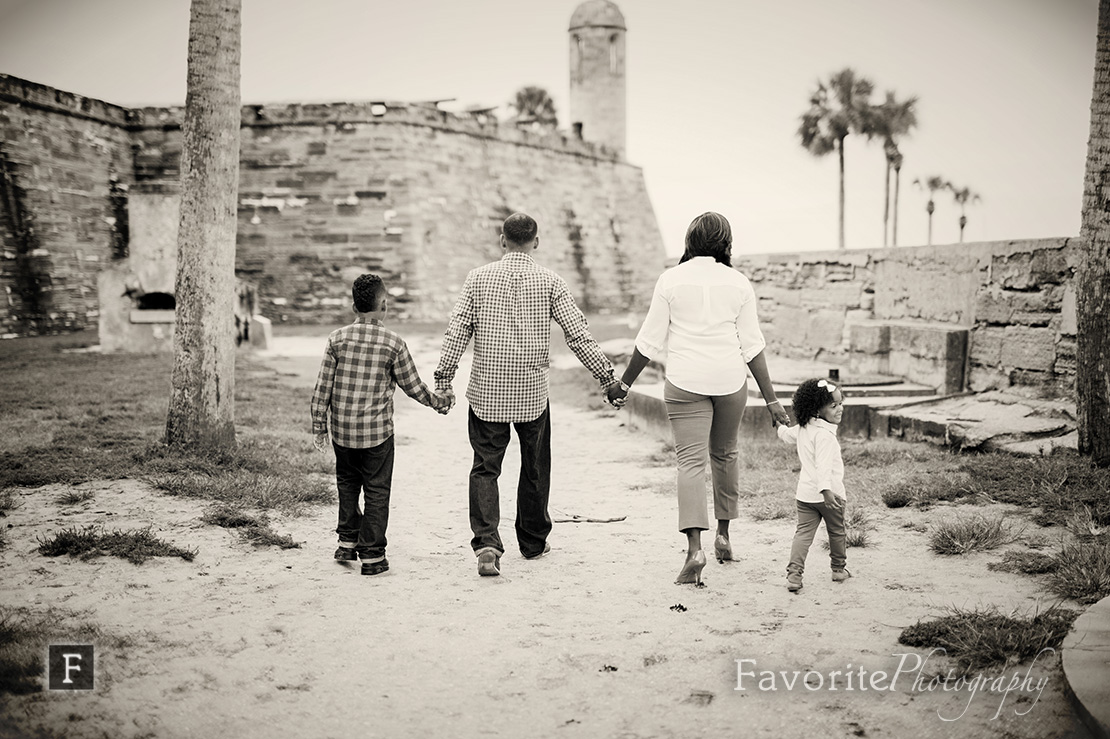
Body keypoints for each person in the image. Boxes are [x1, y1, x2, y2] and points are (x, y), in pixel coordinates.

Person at [435, 212, 626, 577]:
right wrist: (606, 378)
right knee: (535, 466)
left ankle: (487, 544)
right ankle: (533, 541)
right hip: (531, 393)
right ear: (536, 242)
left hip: (487, 392)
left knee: (485, 467)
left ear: (502, 240)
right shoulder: (550, 281)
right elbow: (577, 334)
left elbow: (457, 330)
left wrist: (444, 379)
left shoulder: (477, 278)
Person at [613, 212, 791, 585]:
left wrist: (624, 384)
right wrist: (772, 400)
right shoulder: (739, 283)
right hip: (729, 382)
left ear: (690, 241)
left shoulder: (670, 280)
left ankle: (695, 549)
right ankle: (723, 535)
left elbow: (649, 341)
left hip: (685, 382)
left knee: (690, 464)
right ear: (726, 243)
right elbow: (752, 346)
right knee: (725, 454)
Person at [310, 273, 449, 576]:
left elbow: (323, 388)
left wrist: (319, 426)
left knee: (347, 485)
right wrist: (437, 402)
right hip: (377, 435)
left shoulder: (337, 339)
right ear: (384, 305)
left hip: (342, 431)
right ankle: (372, 556)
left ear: (353, 307)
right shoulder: (393, 344)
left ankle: (347, 542)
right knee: (376, 490)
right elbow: (412, 386)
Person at [776, 378, 850, 592]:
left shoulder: (804, 428)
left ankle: (794, 576)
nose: (840, 409)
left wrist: (779, 425)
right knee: (837, 532)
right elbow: (823, 467)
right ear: (817, 410)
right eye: (834, 406)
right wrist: (827, 492)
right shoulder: (825, 436)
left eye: (841, 403)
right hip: (830, 495)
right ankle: (838, 569)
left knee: (803, 534)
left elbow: (787, 435)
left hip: (806, 496)